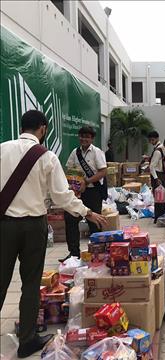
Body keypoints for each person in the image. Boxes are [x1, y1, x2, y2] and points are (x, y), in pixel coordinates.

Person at [0, 110, 106, 358]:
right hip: (33, 226)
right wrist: (87, 213)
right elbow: (62, 196)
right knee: (30, 283)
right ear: (43, 129)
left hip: (4, 224)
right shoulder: (46, 157)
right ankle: (27, 340)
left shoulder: (2, 149)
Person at [61, 126, 107, 261]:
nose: (84, 139)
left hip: (93, 192)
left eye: (87, 136)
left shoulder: (97, 152)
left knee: (94, 222)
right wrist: (74, 184)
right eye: (82, 136)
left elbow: (103, 171)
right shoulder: (75, 153)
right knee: (70, 220)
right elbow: (69, 169)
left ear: (92, 138)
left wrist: (86, 182)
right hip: (77, 194)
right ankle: (74, 253)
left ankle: (97, 253)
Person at [148, 131, 165, 223]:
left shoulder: (157, 151)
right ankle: (162, 215)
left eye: (152, 140)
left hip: (158, 175)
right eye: (150, 140)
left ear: (157, 138)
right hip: (162, 174)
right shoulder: (163, 148)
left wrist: (156, 178)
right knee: (162, 197)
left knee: (158, 197)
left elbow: (151, 167)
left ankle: (158, 217)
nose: (151, 142)